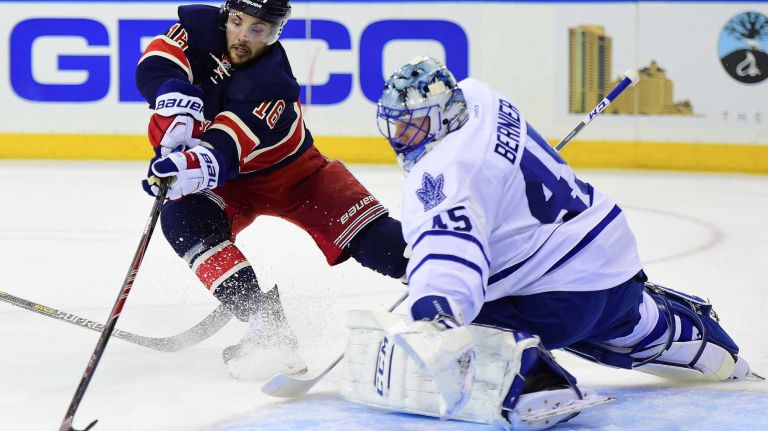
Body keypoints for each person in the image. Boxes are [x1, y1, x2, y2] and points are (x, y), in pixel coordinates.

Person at [340, 56, 762, 428]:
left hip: (554, 302)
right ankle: (699, 341)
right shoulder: (480, 97)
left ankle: (534, 379)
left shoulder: (439, 178)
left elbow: (451, 260)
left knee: (464, 326)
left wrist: (434, 310)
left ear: (445, 117)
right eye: (397, 123)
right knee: (634, 324)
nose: (400, 135)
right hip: (611, 261)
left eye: (412, 126)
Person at [134, 0, 408, 379]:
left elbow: (225, 147)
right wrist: (172, 96)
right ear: (225, 16)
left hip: (299, 177)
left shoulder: (272, 83)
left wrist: (187, 165)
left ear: (276, 34)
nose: (243, 36)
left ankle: (464, 284)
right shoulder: (198, 27)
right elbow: (158, 61)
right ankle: (266, 323)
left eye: (258, 30)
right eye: (237, 22)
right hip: (233, 186)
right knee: (182, 217)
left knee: (378, 242)